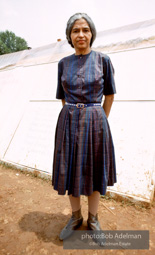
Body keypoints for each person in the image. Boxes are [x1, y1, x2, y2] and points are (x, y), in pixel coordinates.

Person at [52, 13, 116, 241]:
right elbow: (63, 96)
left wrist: (99, 118)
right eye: (76, 30)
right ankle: (76, 217)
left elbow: (109, 94)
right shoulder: (63, 64)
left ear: (92, 34)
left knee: (95, 169)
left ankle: (93, 219)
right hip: (68, 122)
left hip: (96, 123)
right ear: (70, 36)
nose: (81, 34)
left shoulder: (103, 60)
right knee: (69, 170)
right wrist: (73, 114)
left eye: (85, 30)